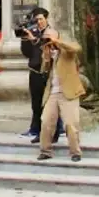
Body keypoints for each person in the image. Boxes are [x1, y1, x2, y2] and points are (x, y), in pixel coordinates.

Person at [36, 27, 84, 162]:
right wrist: (46, 58)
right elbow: (43, 71)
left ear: (57, 37)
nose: (47, 39)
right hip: (53, 92)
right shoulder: (48, 53)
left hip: (68, 92)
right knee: (46, 121)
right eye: (46, 37)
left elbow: (76, 49)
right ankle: (45, 151)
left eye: (49, 36)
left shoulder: (67, 50)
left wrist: (57, 42)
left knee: (70, 123)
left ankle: (75, 152)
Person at [18, 9, 62, 143]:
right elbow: (27, 53)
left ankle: (54, 131)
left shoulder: (51, 33)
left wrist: (34, 40)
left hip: (48, 73)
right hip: (35, 71)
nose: (39, 22)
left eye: (41, 19)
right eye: (36, 20)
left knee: (49, 104)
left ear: (47, 18)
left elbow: (48, 47)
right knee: (36, 103)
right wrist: (25, 39)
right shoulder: (34, 33)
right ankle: (36, 129)